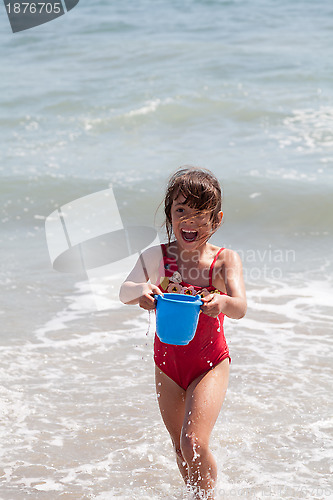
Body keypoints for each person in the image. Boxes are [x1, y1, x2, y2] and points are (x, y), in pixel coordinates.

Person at [119, 167, 246, 499]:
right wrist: (142, 291)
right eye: (181, 211)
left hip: (210, 363)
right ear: (170, 215)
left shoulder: (224, 260)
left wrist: (222, 302)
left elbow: (241, 306)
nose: (190, 221)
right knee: (180, 449)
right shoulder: (157, 257)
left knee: (194, 441)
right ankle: (196, 496)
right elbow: (124, 291)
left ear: (216, 219)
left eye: (201, 214)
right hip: (167, 364)